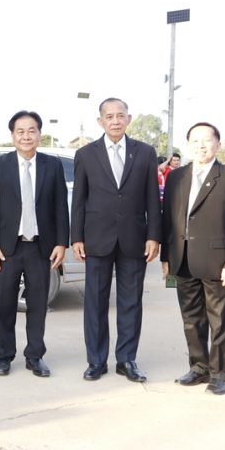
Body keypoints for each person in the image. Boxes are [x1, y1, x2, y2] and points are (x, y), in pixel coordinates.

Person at [71, 97, 161, 382]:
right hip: (97, 239)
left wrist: (154, 235)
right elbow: (79, 200)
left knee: (131, 302)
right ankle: (96, 361)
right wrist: (76, 237)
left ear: (128, 119)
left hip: (134, 239)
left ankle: (126, 359)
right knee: (95, 303)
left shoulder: (145, 152)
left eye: (120, 115)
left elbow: (152, 198)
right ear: (100, 121)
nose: (115, 121)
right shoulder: (86, 154)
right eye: (109, 116)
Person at [161, 122, 225, 396]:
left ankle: (220, 373)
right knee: (191, 319)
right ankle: (199, 367)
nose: (201, 145)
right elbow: (169, 220)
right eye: (195, 141)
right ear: (188, 145)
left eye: (207, 140)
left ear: (218, 145)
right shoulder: (176, 177)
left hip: (218, 263)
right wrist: (166, 257)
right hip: (182, 259)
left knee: (220, 321)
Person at [0, 111, 68, 377]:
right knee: (4, 305)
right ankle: (3, 356)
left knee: (37, 306)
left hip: (41, 248)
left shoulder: (52, 165)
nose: (26, 136)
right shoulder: (0, 165)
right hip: (7, 249)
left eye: (31, 130)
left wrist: (61, 242)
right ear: (12, 136)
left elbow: (60, 207)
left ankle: (35, 356)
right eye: (20, 131)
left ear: (39, 134)